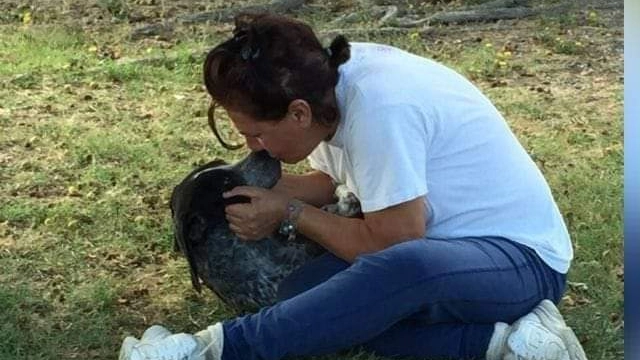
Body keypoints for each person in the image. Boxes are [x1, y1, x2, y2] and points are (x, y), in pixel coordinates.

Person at [119, 12, 588, 360]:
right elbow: (337, 178)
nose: (253, 147)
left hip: (519, 261)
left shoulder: (379, 107)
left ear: (298, 113)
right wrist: (279, 195)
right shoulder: (321, 82)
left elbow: (395, 242)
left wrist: (289, 212)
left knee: (393, 274)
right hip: (440, 254)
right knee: (312, 302)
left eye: (257, 134)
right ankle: (512, 343)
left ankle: (212, 350)